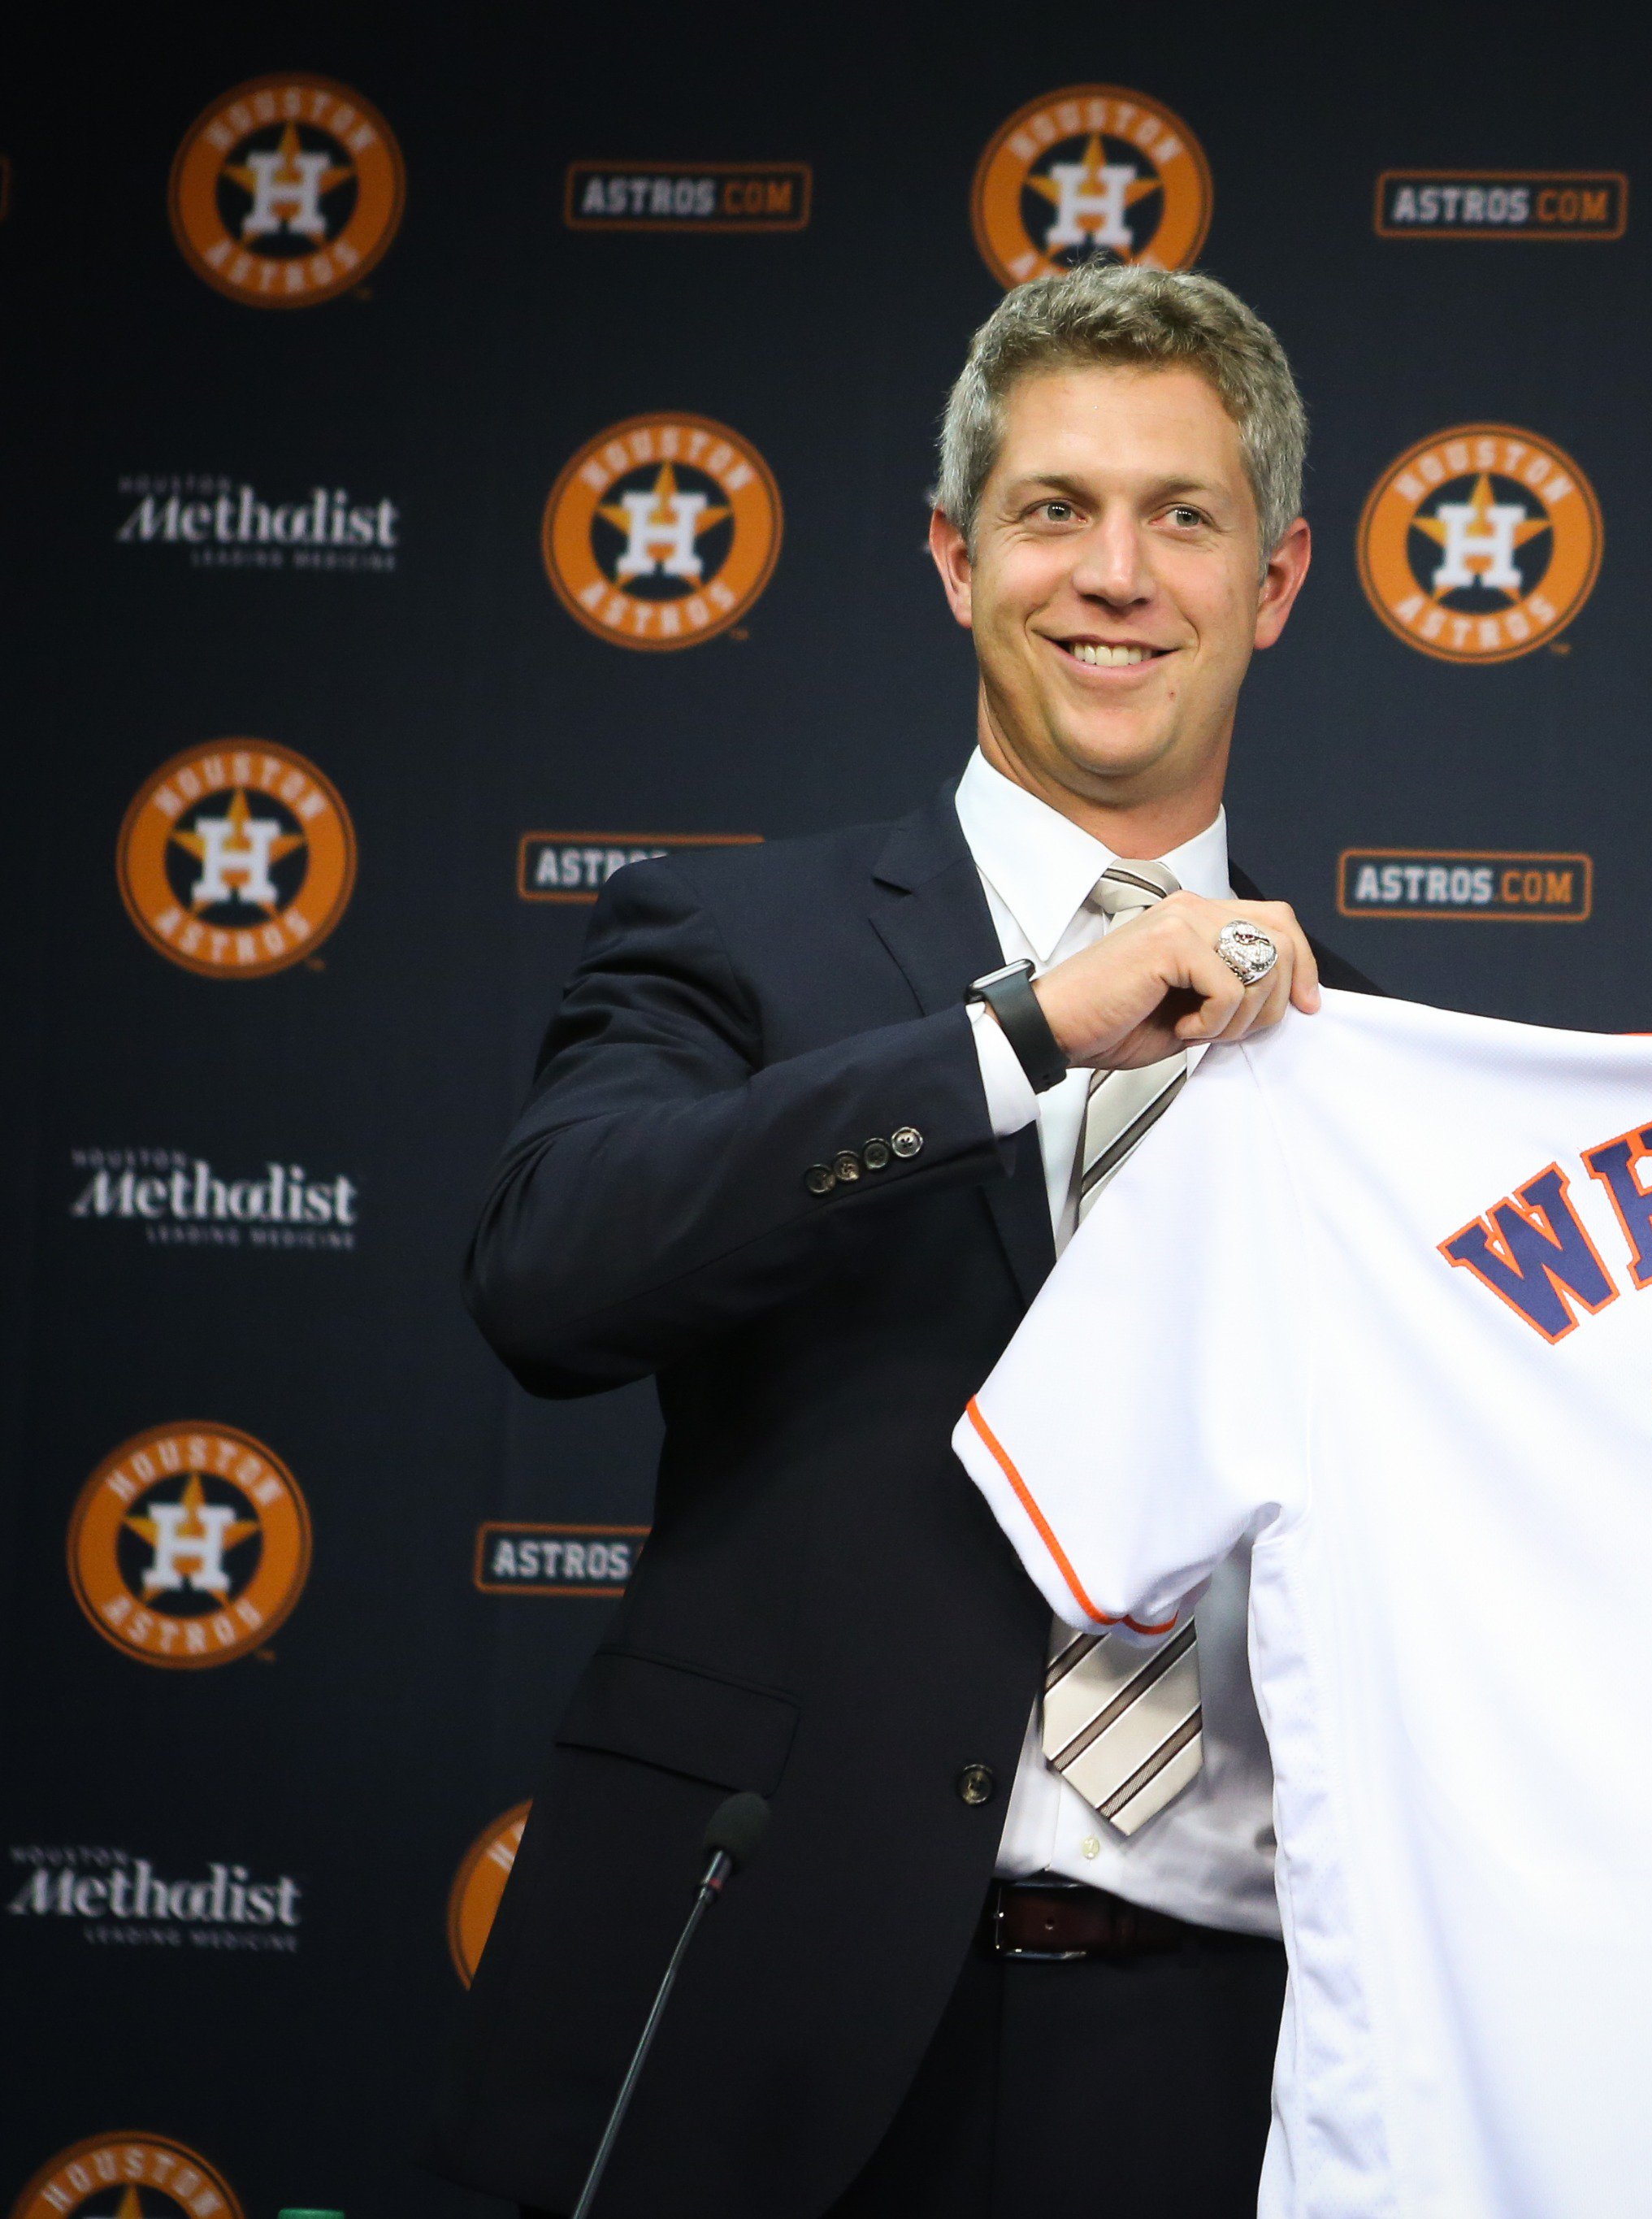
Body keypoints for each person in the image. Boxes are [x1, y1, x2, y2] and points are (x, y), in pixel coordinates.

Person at [431, 263, 1364, 2219]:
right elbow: (551, 1272)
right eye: (1053, 512)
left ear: (1273, 584)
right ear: (956, 562)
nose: (1115, 574)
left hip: (1225, 2055)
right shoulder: (726, 938)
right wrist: (1020, 1034)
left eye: (1181, 517)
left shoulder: (1377, 1064)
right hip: (761, 2004)